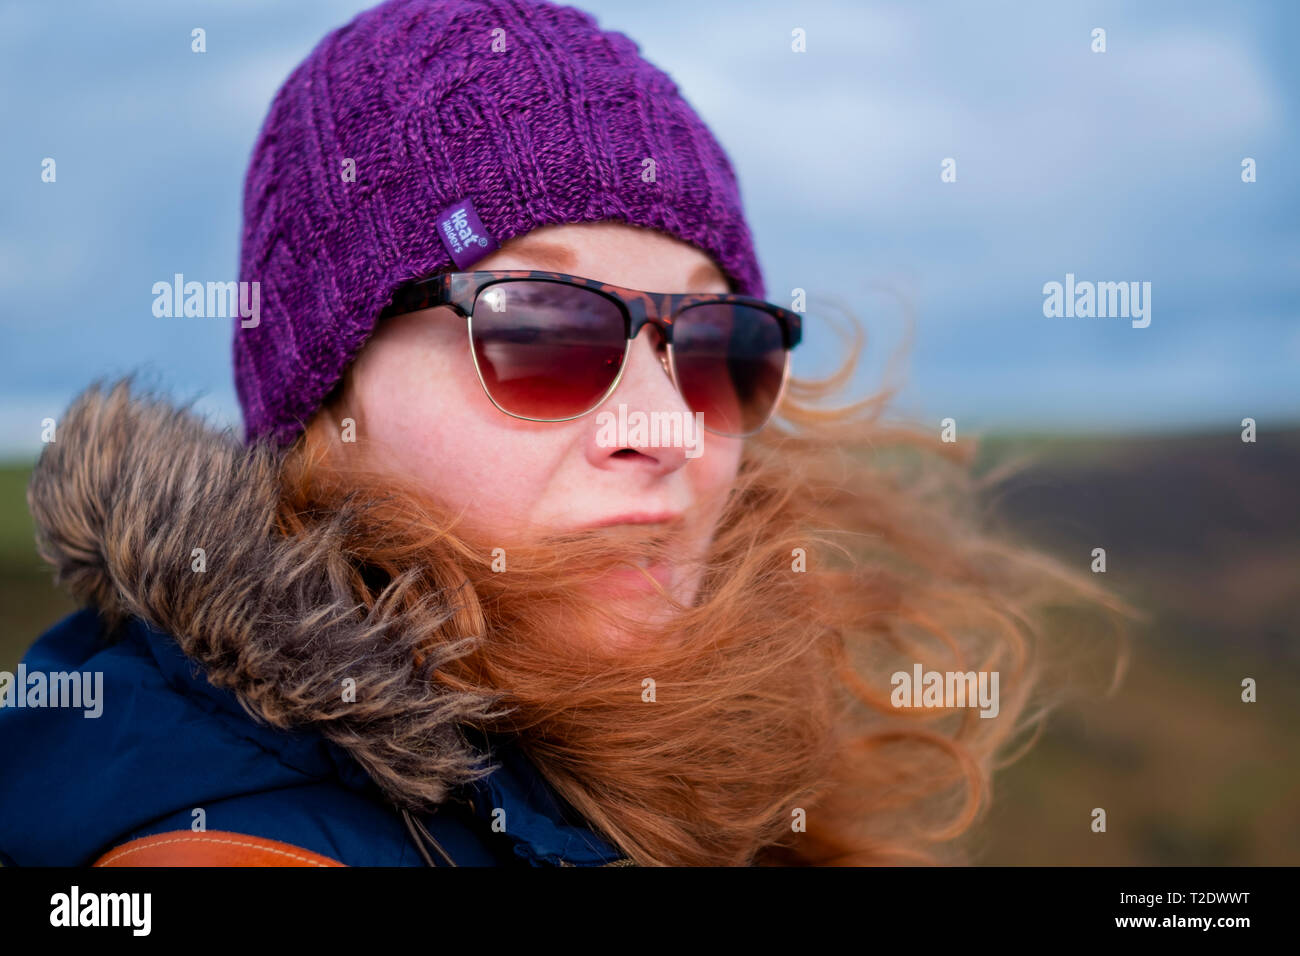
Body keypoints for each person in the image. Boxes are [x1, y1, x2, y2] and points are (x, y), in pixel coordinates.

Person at [0, 0, 1121, 867]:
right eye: (540, 327)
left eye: (716, 344)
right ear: (324, 401)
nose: (664, 426)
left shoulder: (723, 774)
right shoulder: (217, 840)